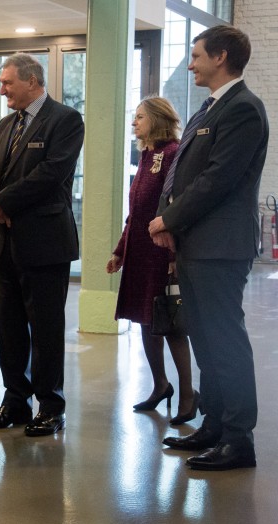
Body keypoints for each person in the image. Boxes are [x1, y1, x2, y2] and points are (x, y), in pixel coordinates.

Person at [149, 25, 268, 471]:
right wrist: (166, 221)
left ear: (220, 57)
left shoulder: (243, 110)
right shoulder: (208, 109)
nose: (192, 62)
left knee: (224, 341)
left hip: (220, 245)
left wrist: (169, 219)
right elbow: (179, 172)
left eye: (197, 55)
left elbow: (217, 179)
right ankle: (214, 424)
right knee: (204, 338)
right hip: (196, 242)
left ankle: (239, 439)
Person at [0, 53, 84, 436]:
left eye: (7, 82)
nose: (1, 88)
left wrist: (3, 203)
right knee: (9, 328)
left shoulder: (66, 120)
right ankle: (15, 401)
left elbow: (51, 174)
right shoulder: (8, 123)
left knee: (46, 329)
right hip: (3, 242)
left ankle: (50, 406)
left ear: (33, 80)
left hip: (44, 243)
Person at [107, 96, 197, 425]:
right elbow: (137, 210)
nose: (134, 123)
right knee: (146, 319)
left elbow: (175, 207)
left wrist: (174, 257)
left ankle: (188, 395)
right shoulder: (147, 154)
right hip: (140, 251)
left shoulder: (173, 153)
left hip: (162, 251)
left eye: (140, 117)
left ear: (157, 119)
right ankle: (161, 385)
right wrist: (120, 249)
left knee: (171, 322)